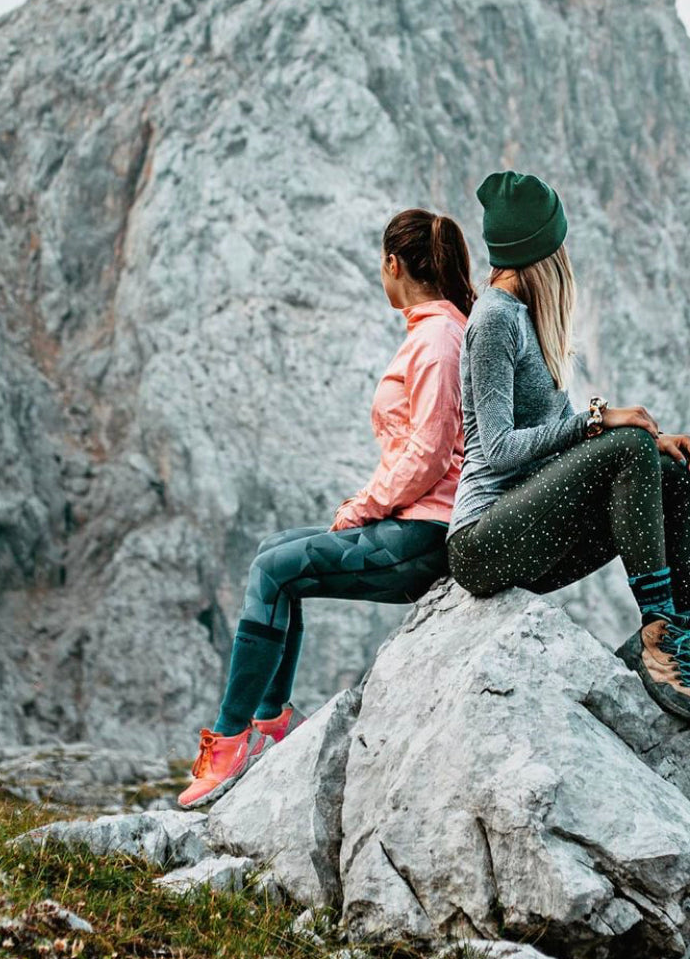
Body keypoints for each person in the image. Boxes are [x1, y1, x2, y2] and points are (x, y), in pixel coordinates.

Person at [178, 208, 475, 807]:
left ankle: (234, 739)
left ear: (393, 264)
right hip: (413, 524)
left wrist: (365, 507)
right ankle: (270, 724)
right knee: (273, 556)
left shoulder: (438, 339)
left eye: (381, 265)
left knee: (273, 570)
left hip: (423, 536)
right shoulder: (433, 331)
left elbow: (430, 448)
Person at [446, 170, 690, 757]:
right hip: (482, 541)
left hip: (529, 532)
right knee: (628, 445)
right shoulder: (495, 318)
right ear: (539, 251)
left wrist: (643, 441)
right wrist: (600, 422)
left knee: (683, 472)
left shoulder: (524, 317)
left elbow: (556, 441)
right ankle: (657, 632)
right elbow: (499, 448)